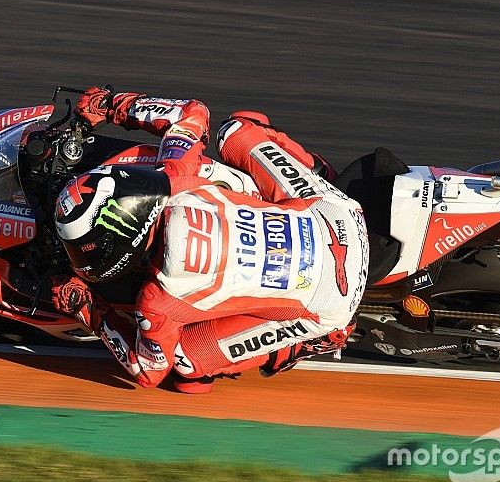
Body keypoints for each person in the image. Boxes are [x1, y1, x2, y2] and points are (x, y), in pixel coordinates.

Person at [51, 86, 369, 393]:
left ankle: (313, 340)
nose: (82, 255)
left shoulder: (158, 300)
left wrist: (87, 308)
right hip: (340, 216)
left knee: (187, 366)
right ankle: (314, 171)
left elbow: (149, 371)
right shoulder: (176, 173)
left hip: (333, 299)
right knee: (235, 130)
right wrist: (112, 106)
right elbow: (192, 112)